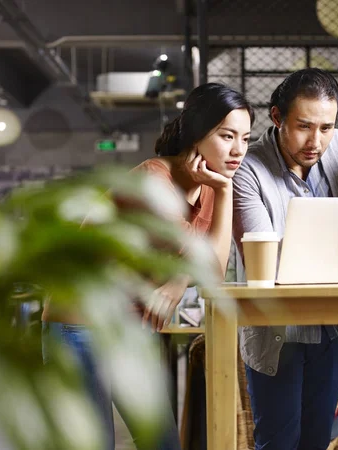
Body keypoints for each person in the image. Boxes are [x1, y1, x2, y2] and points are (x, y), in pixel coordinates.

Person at [42, 82, 254, 450]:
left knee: (162, 443)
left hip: (127, 329)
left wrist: (179, 278)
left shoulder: (211, 185)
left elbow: (210, 271)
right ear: (197, 134)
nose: (238, 150)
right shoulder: (154, 181)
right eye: (226, 136)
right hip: (79, 323)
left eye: (246, 138)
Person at [232, 68, 338, 450]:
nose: (317, 141)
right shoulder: (248, 169)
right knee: (278, 442)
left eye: (326, 127)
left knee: (316, 442)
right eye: (304, 126)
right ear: (277, 118)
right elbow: (265, 260)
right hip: (277, 332)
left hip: (330, 327)